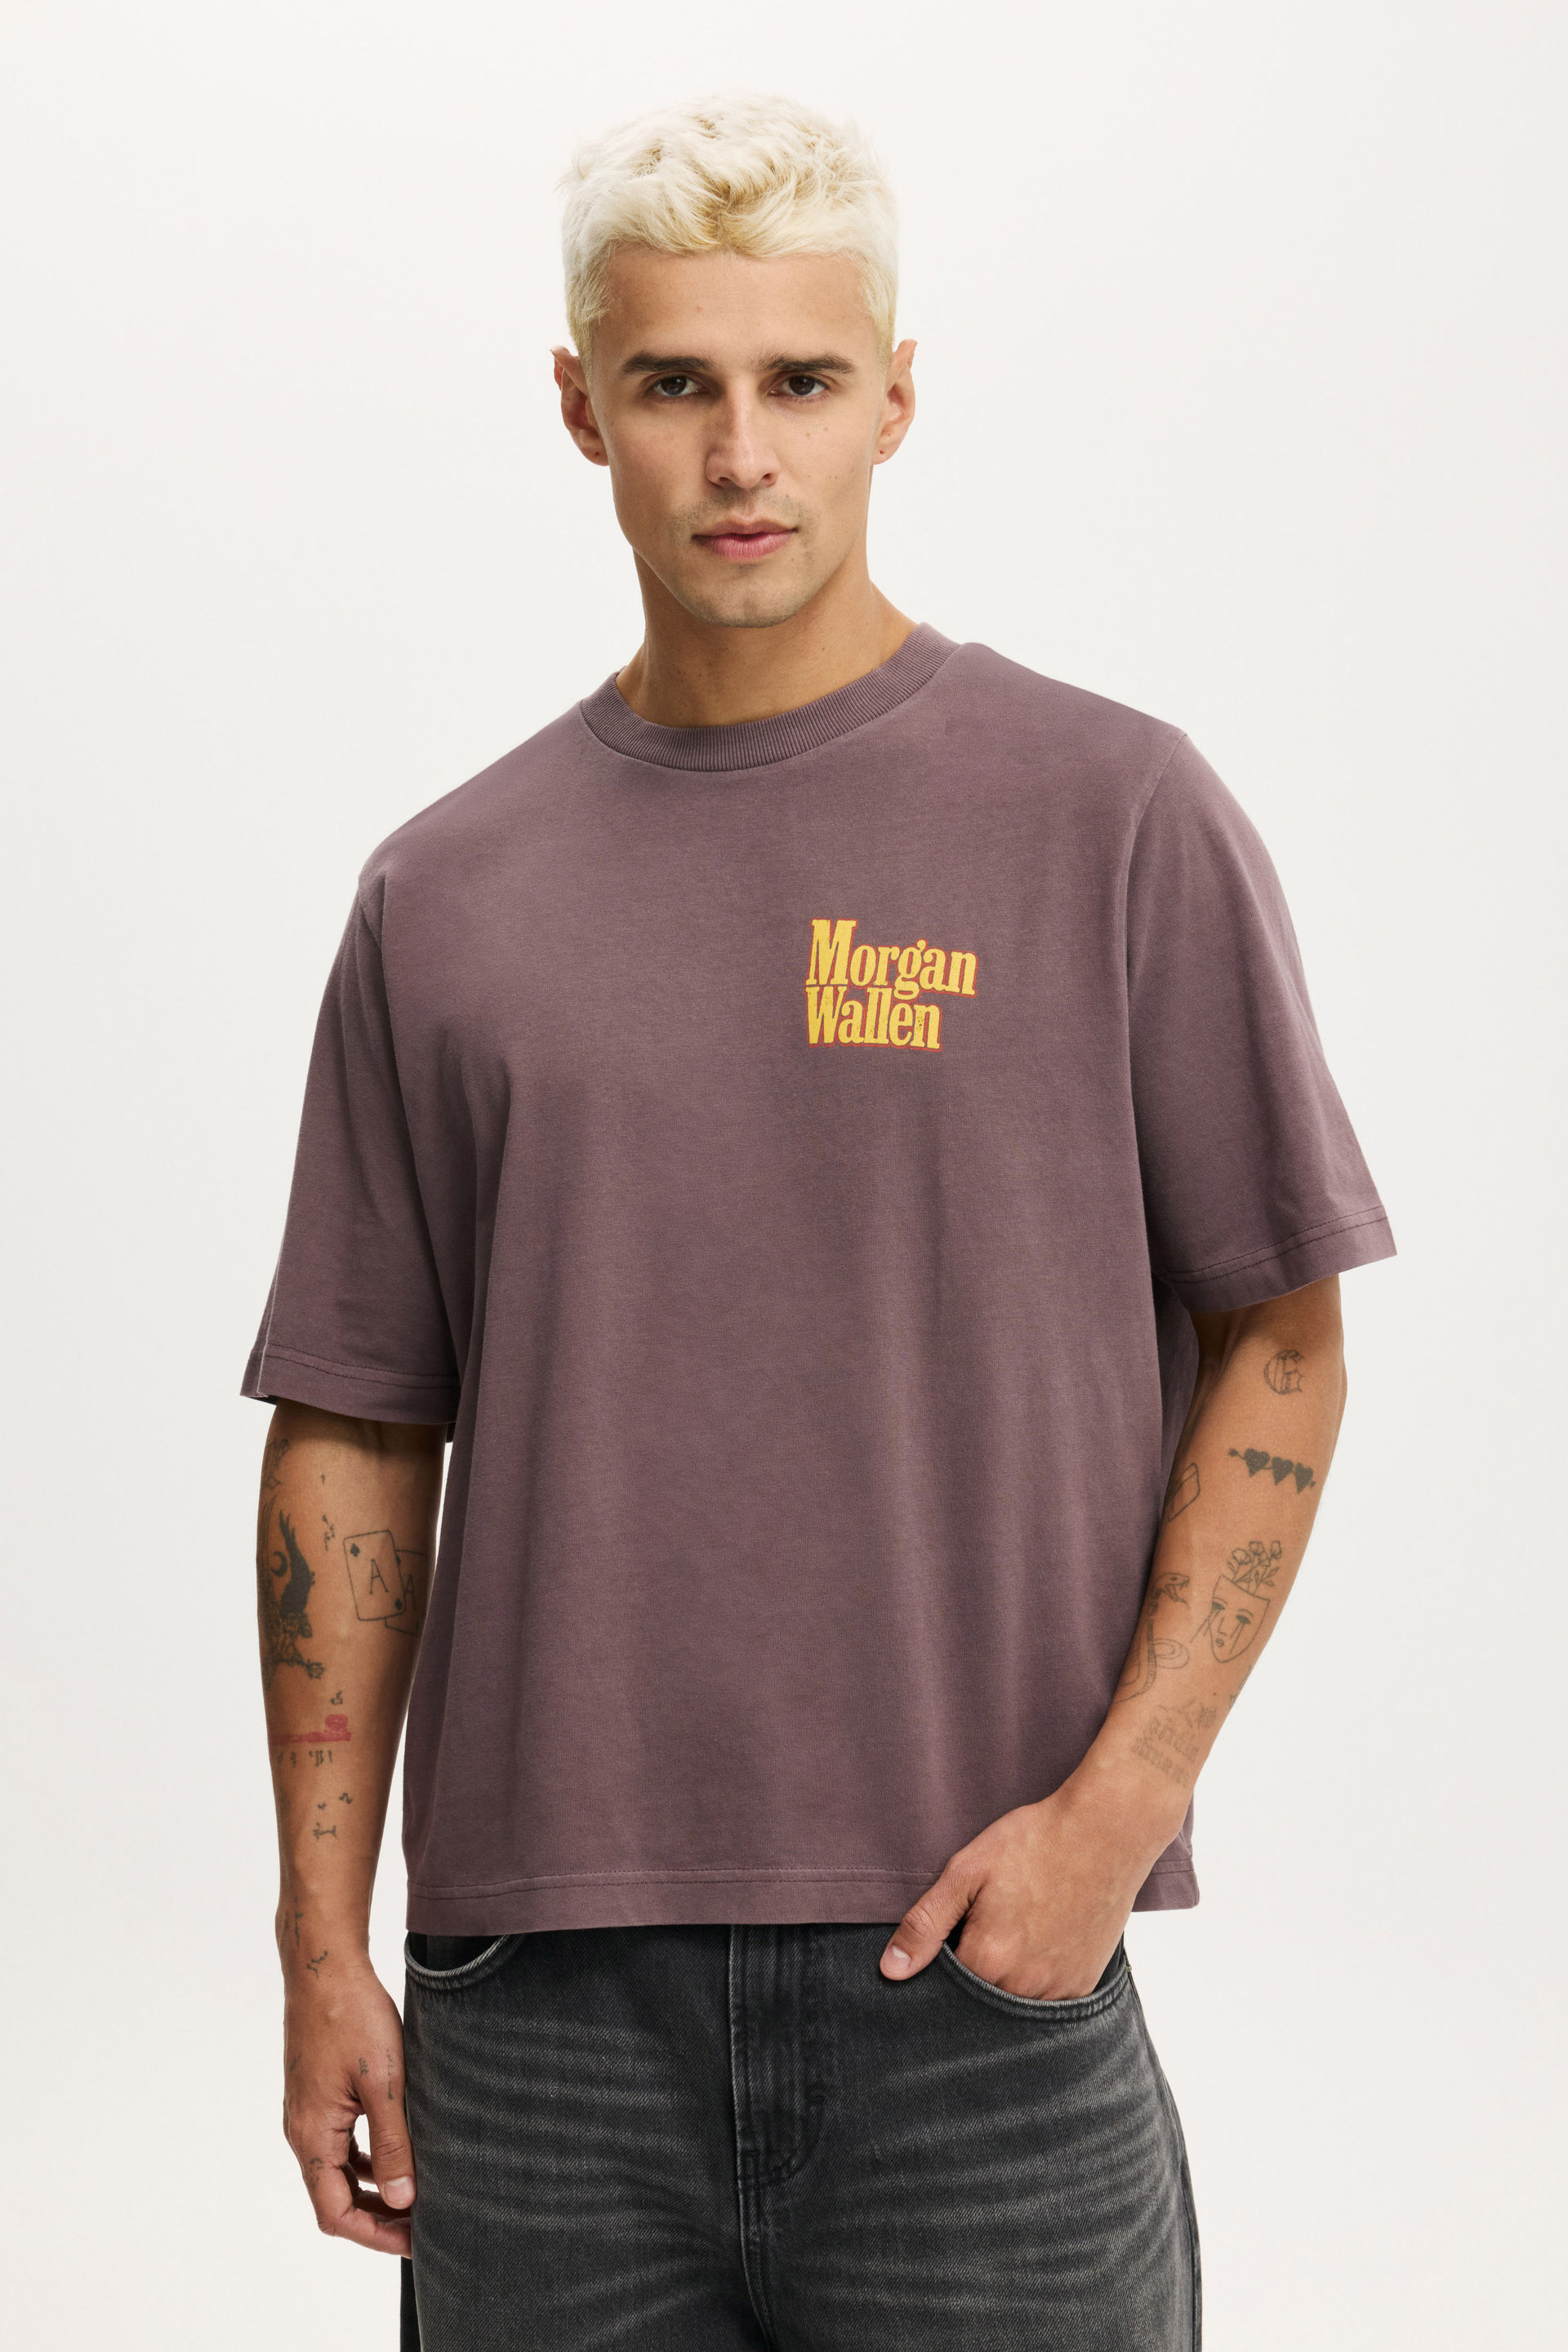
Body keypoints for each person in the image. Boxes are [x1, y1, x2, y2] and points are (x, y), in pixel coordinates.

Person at [245, 93, 1394, 2352]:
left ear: (898, 395)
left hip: (983, 1986)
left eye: (801, 379)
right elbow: (355, 1430)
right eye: (676, 382)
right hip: (539, 2023)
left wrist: (1120, 1810)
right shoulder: (444, 894)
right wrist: (315, 1950)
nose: (741, 452)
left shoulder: (1113, 817)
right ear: (580, 403)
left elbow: (1281, 1330)